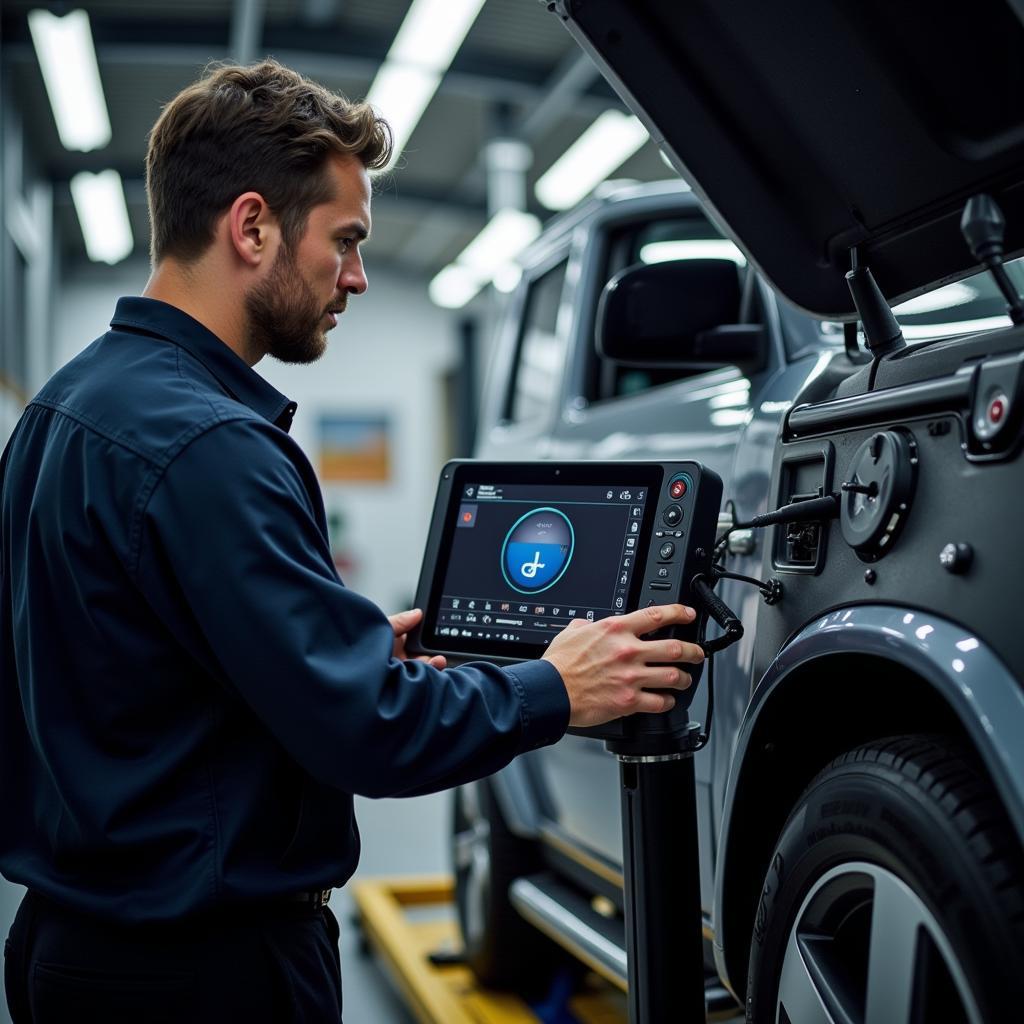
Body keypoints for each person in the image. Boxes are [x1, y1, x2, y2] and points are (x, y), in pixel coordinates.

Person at [0, 60, 704, 1022]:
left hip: (69, 948)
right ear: (251, 227)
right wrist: (557, 687)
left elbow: (139, 665)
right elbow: (367, 732)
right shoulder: (214, 444)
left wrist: (338, 645)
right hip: (204, 976)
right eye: (346, 241)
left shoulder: (63, 409)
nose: (359, 277)